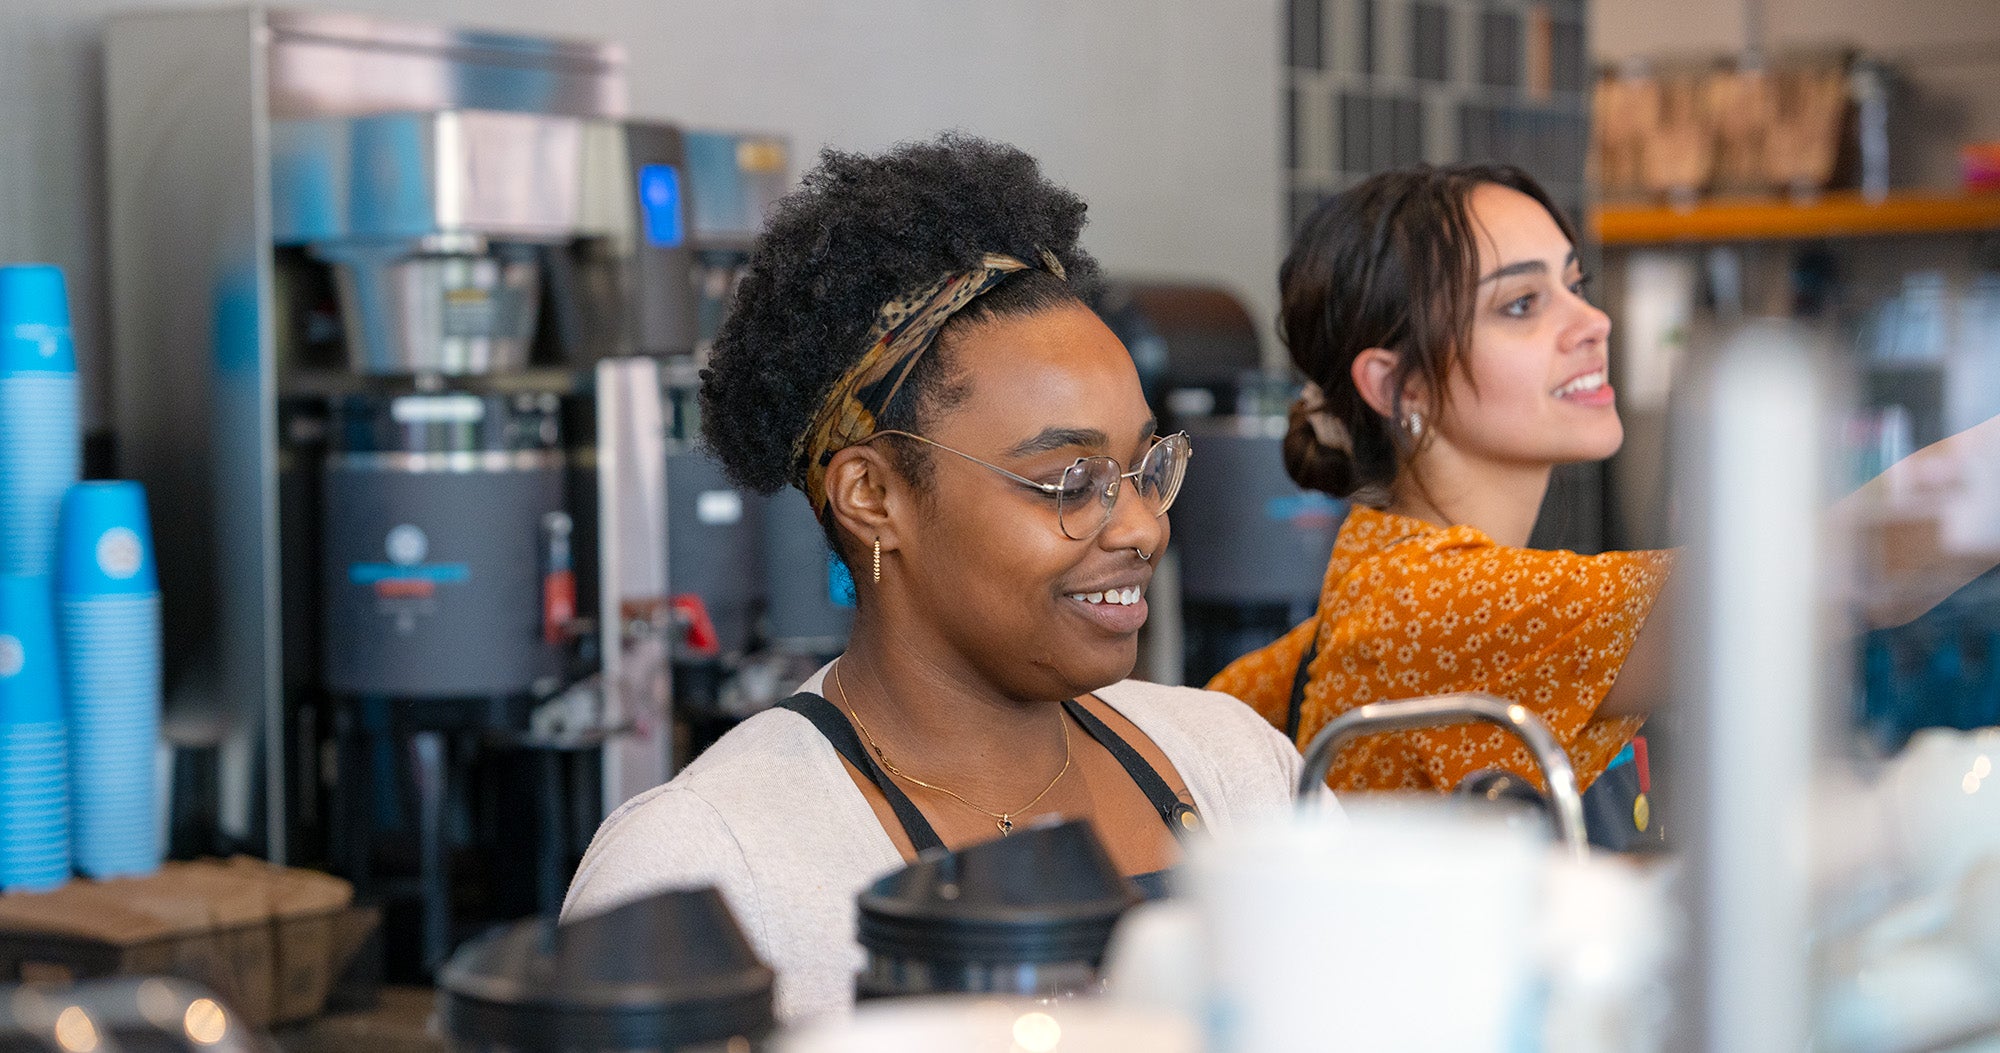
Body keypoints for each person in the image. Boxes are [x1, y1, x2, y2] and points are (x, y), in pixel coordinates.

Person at [562, 134, 1304, 1022]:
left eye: (1148, 467)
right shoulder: (703, 868)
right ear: (873, 495)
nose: (1144, 525)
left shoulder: (1235, 766)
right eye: (1070, 480)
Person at [1209, 161, 2000, 806]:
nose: (1594, 322)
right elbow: (1854, 567)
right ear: (1397, 387)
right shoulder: (1435, 602)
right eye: (1522, 304)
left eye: (1574, 285)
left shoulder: (1362, 615)